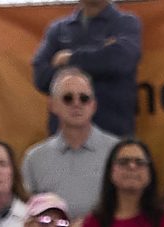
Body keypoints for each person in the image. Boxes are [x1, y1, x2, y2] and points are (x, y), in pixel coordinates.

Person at [31, 0, 140, 141]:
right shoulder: (58, 30)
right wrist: (100, 57)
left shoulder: (126, 23)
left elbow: (121, 60)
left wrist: (70, 59)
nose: (79, 100)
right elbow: (41, 77)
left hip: (114, 135)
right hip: (64, 140)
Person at [23, 67, 119, 221]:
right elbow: (27, 215)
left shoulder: (116, 152)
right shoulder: (34, 159)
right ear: (52, 105)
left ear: (93, 105)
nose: (77, 103)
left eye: (84, 98)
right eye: (68, 98)